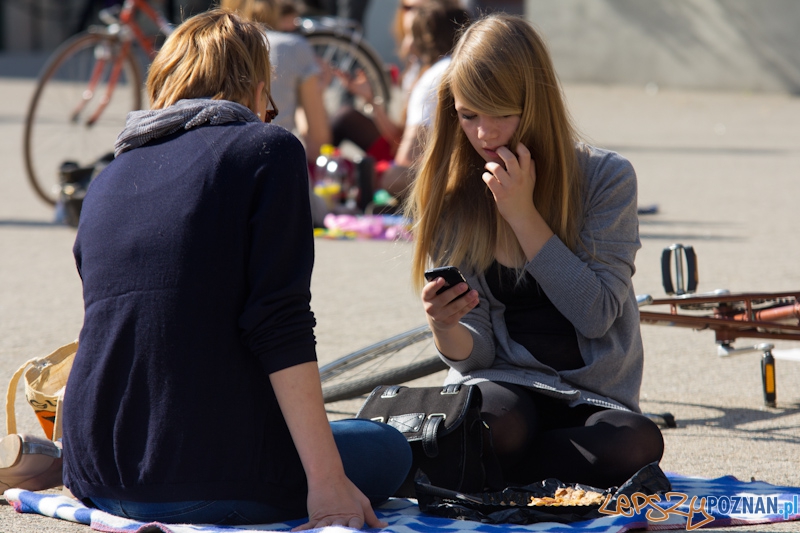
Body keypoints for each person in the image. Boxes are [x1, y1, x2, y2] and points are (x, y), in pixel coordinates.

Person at [37, 9, 408, 528]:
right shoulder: (266, 149)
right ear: (257, 89)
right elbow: (280, 322)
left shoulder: (109, 176)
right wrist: (326, 484)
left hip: (95, 474)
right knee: (387, 447)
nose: (270, 114)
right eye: (271, 104)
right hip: (207, 477)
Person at [406, 13, 664, 489]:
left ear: (536, 103)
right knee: (495, 426)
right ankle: (501, 465)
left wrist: (522, 214)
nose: (485, 134)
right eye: (468, 116)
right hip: (503, 385)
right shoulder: (453, 193)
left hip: (593, 397)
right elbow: (475, 355)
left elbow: (596, 315)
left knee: (637, 445)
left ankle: (485, 472)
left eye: (502, 113)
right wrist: (444, 325)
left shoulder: (606, 178)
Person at [330, 0, 468, 199]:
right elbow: (402, 138)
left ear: (424, 37)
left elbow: (404, 160)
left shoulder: (431, 79)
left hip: (442, 175)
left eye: (412, 33)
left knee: (383, 175)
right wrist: (371, 100)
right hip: (462, 168)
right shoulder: (458, 66)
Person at [220, 0, 332, 226]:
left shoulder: (216, 43)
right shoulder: (293, 46)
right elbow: (318, 141)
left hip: (219, 173)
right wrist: (315, 93)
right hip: (274, 175)